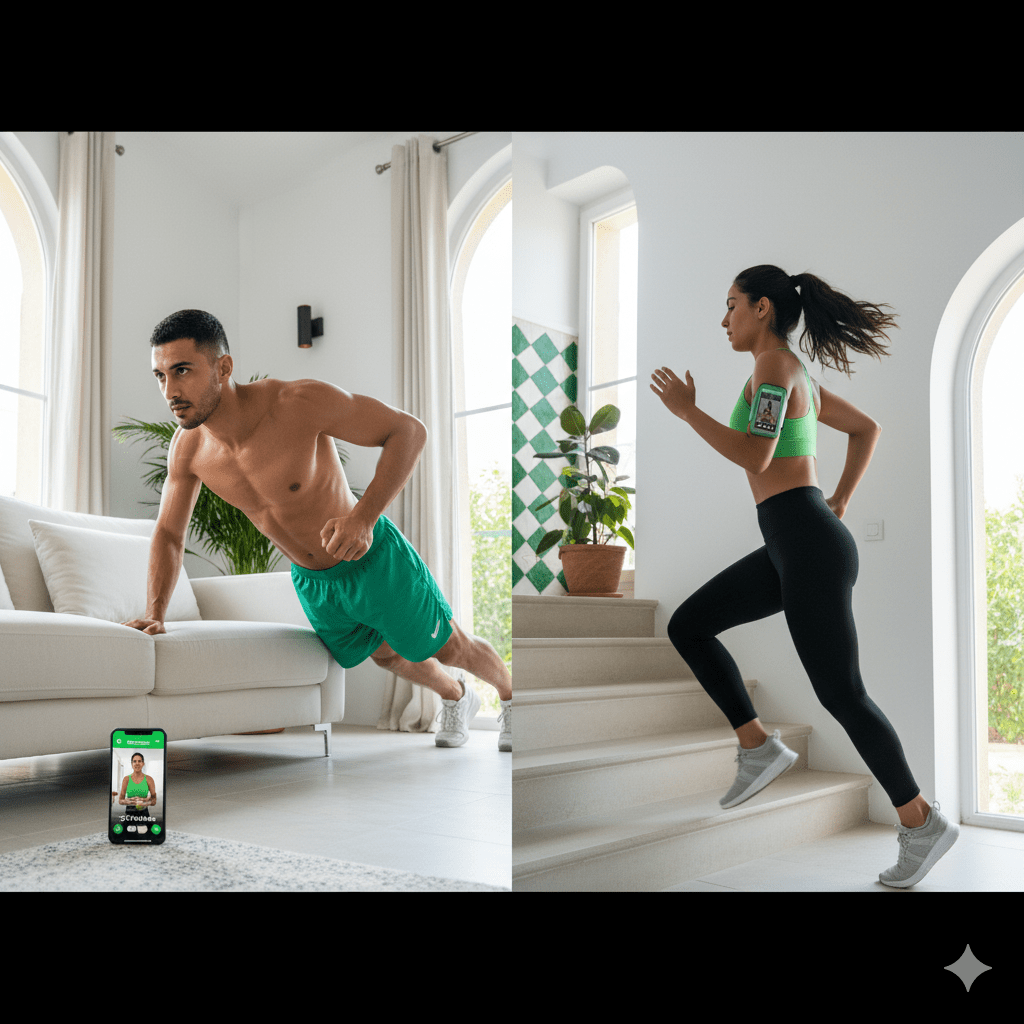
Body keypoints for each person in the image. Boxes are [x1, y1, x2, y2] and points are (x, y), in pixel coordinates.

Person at [650, 265, 958, 888]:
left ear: (763, 307)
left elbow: (755, 455)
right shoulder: (797, 377)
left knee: (842, 694)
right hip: (795, 539)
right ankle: (758, 744)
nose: (724, 318)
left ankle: (920, 820)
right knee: (691, 625)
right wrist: (838, 501)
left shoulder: (774, 368)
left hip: (807, 544)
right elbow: (867, 429)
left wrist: (688, 412)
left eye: (731, 304)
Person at [123, 310, 512, 751]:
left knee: (448, 646)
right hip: (314, 582)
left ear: (224, 368)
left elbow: (407, 431)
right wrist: (156, 611)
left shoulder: (297, 404)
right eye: (160, 376)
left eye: (182, 371)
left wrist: (362, 518)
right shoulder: (188, 449)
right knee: (384, 655)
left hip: (371, 559)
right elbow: (169, 535)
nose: (170, 391)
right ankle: (456, 696)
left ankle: (513, 698)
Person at [118, 752, 157, 829]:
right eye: (134, 761)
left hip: (144, 814)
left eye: (139, 761)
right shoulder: (126, 779)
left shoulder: (149, 779)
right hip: (129, 813)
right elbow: (120, 800)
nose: (137, 763)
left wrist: (144, 802)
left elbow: (154, 801)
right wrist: (130, 801)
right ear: (131, 764)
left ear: (143, 763)